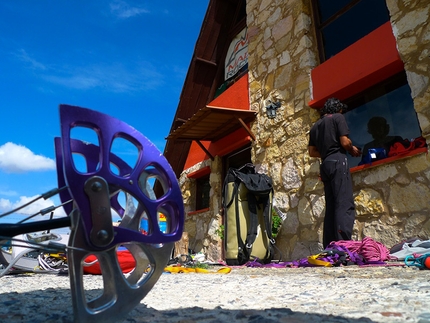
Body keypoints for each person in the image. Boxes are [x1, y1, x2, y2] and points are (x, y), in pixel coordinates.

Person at [308, 98, 361, 248]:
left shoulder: (315, 127)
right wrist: (352, 149)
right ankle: (343, 245)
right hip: (338, 160)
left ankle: (330, 246)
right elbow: (345, 142)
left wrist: (326, 153)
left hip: (325, 164)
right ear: (337, 109)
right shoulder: (338, 117)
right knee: (343, 203)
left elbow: (312, 152)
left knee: (331, 205)